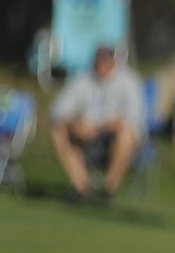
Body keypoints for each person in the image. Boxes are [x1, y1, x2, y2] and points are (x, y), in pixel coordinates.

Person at [49, 44, 146, 202]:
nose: (101, 65)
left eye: (105, 60)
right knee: (59, 131)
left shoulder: (129, 81)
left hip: (112, 139)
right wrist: (75, 125)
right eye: (98, 60)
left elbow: (133, 119)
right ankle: (82, 188)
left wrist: (98, 128)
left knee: (126, 135)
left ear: (114, 61)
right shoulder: (82, 80)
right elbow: (57, 111)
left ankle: (108, 190)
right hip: (86, 138)